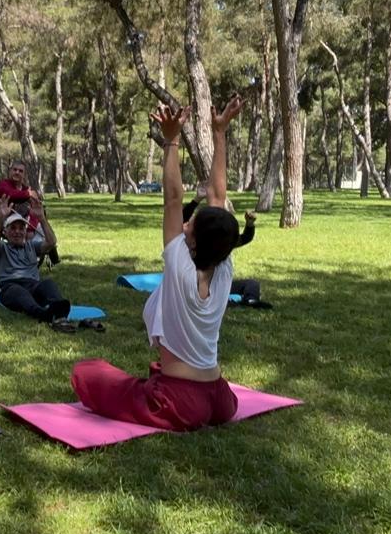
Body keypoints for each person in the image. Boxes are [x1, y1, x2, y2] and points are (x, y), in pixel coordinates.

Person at [71, 97, 254, 430]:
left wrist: (171, 141)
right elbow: (218, 196)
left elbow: (172, 199)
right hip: (219, 398)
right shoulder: (225, 266)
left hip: (180, 400)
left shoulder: (180, 266)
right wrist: (220, 133)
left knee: (86, 373)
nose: (184, 225)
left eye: (190, 226)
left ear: (194, 241)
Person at [0, 191, 78, 331]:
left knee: (48, 283)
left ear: (25, 231)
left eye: (21, 228)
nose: (17, 231)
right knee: (19, 292)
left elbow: (51, 242)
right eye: (13, 228)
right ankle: (43, 314)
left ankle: (58, 309)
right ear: (5, 232)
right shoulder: (2, 248)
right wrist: (0, 218)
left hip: (32, 285)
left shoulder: (32, 246)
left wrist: (42, 218)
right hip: (9, 286)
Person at [0, 160, 59, 265]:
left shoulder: (26, 188)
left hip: (24, 219)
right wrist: (28, 194)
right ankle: (29, 255)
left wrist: (32, 227)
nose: (17, 172)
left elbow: (34, 209)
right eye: (15, 170)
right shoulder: (3, 184)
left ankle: (47, 254)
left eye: (20, 171)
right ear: (10, 171)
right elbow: (11, 195)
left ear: (24, 174)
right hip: (5, 218)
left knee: (43, 229)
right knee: (21, 224)